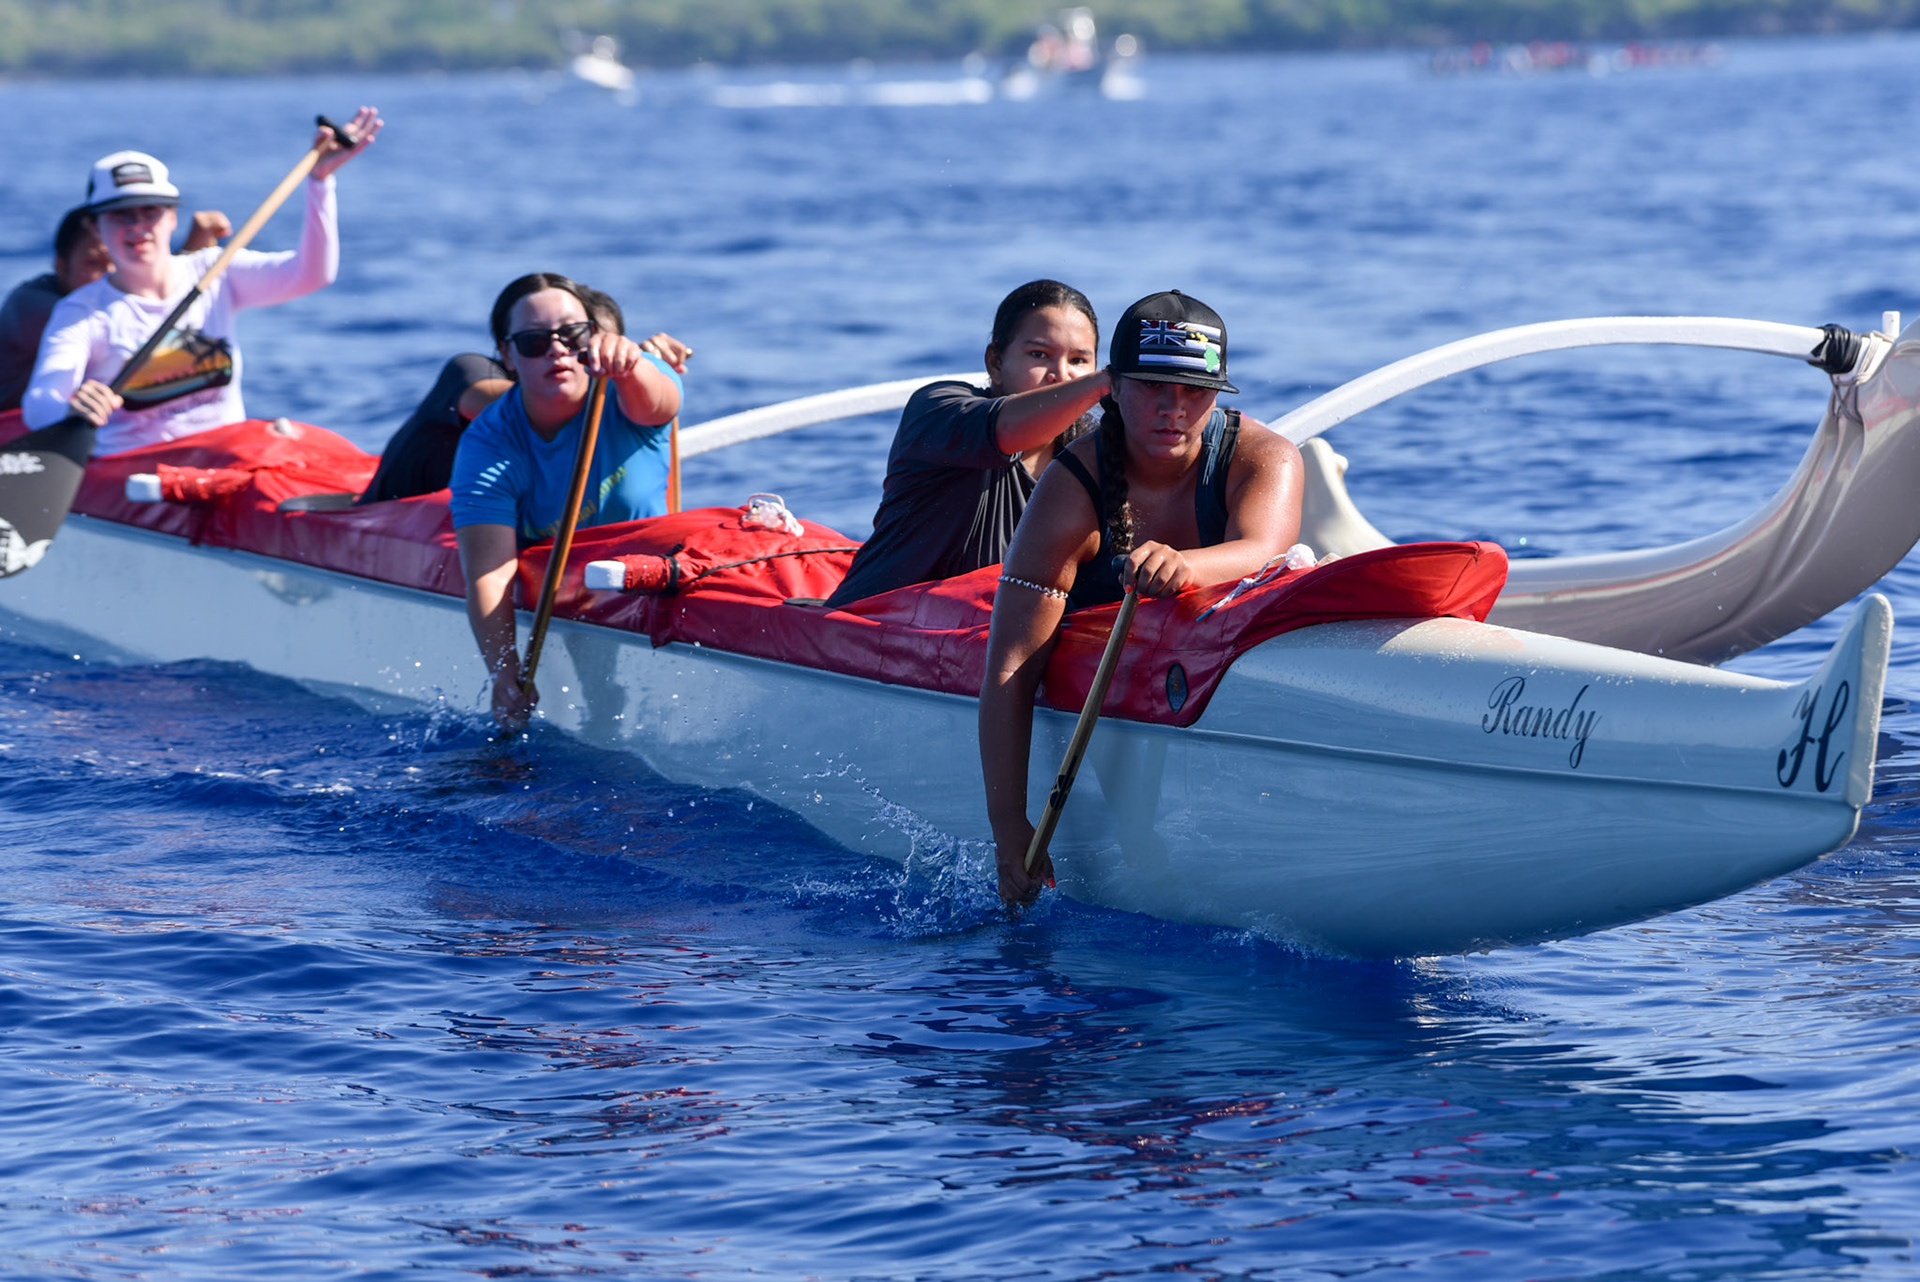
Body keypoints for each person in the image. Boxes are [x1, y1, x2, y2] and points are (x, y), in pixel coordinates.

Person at [977, 290, 1306, 904]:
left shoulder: (1264, 458)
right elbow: (1013, 662)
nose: (1173, 410)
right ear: (1114, 387)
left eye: (1195, 392)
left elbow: (1265, 547)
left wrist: (1187, 565)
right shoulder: (1073, 485)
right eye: (1153, 387)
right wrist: (1008, 826)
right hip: (1101, 679)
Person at [22, 107, 383, 453]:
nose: (137, 228)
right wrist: (71, 407)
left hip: (227, 458)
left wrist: (320, 182)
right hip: (135, 470)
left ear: (172, 218)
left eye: (150, 211)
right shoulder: (82, 313)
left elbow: (312, 275)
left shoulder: (215, 269)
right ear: (96, 226)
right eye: (120, 215)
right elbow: (39, 404)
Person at [450, 272, 684, 729]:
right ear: (507, 356)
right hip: (570, 589)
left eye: (572, 335)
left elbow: (662, 404)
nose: (556, 350)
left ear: (593, 336)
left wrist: (633, 366)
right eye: (534, 342)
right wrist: (503, 671)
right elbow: (491, 572)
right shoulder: (488, 443)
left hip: (639, 585)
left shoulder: (631, 384)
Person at [825, 279, 1108, 607]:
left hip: (990, 630)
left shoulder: (1098, 452)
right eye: (1039, 355)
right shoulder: (937, 410)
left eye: (1078, 361)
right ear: (996, 362)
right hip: (869, 620)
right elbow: (1007, 429)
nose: (1060, 374)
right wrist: (1107, 382)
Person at [358, 285, 691, 504]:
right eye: (538, 340)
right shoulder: (470, 373)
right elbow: (540, 406)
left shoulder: (604, 384)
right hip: (389, 516)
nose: (572, 356)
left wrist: (644, 371)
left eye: (579, 341)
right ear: (509, 351)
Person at [0, 204, 228, 412]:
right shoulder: (30, 307)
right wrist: (191, 253)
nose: (111, 274)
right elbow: (130, 323)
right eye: (94, 263)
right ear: (61, 265)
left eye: (116, 261)